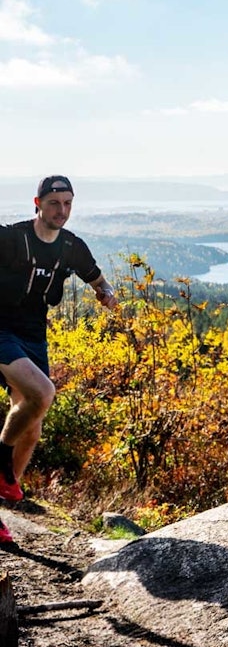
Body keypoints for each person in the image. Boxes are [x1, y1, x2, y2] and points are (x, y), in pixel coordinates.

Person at [0, 176, 118, 545]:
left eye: (68, 203)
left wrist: (107, 294)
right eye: (54, 203)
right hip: (0, 330)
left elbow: (98, 280)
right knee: (42, 393)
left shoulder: (71, 247)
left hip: (34, 337)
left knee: (31, 429)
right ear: (37, 203)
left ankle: (3, 500)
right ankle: (1, 467)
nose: (62, 211)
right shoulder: (12, 238)